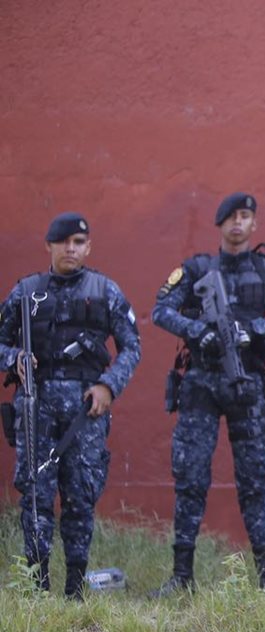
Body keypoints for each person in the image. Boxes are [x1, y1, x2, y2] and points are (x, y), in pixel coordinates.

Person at [150, 193, 265, 594]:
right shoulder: (196, 269)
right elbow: (160, 310)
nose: (238, 223)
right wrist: (198, 331)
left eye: (246, 217)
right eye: (231, 217)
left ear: (254, 225)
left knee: (254, 479)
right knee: (190, 476)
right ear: (219, 224)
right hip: (201, 382)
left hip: (246, 382)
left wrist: (255, 329)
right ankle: (182, 576)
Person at [0, 212, 141, 598]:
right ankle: (37, 588)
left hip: (86, 411)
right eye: (63, 242)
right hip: (36, 408)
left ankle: (75, 588)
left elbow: (132, 346)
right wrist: (14, 358)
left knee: (80, 498)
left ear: (88, 247)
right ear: (49, 245)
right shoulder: (26, 292)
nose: (71, 249)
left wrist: (108, 385)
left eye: (79, 242)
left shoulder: (105, 291)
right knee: (36, 498)